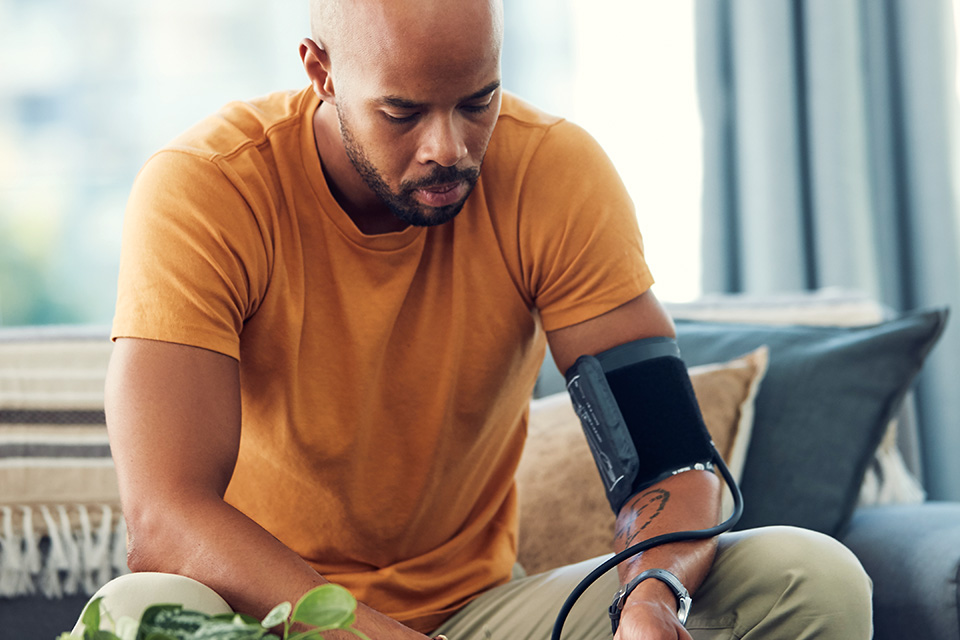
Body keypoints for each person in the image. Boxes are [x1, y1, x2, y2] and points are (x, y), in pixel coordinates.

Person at [82, 0, 873, 638]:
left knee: (813, 578)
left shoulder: (554, 173)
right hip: (273, 617)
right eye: (402, 112)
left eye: (477, 102)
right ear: (320, 71)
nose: (449, 148)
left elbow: (668, 460)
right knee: (139, 611)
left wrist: (652, 599)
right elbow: (167, 517)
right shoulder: (208, 191)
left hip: (479, 617)